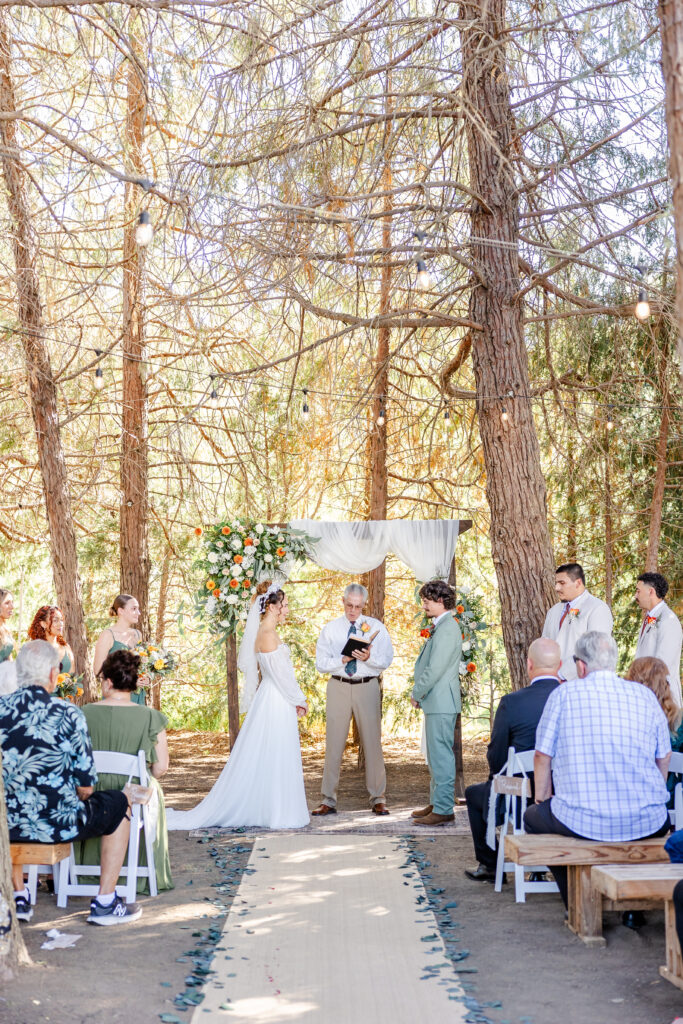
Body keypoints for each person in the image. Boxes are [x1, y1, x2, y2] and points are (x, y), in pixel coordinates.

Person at [524, 631, 671, 915]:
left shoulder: (563, 694)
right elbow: (663, 756)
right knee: (635, 829)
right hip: (648, 820)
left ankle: (576, 899)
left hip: (582, 820)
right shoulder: (644, 696)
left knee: (533, 817)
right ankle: (633, 908)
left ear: (580, 665)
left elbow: (542, 755)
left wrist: (542, 799)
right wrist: (651, 796)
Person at [0, 640, 141, 925]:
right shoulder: (69, 714)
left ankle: (19, 896)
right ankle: (105, 902)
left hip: (6, 823)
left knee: (11, 803)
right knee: (119, 802)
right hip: (58, 824)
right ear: (53, 674)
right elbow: (86, 788)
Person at [166, 583, 309, 830]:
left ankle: (275, 808)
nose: (287, 609)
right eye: (284, 605)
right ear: (272, 607)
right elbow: (281, 675)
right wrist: (299, 699)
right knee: (275, 752)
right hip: (275, 699)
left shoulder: (268, 632)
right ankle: (276, 812)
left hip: (277, 698)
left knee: (276, 752)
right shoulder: (267, 634)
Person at [74, 649, 173, 893]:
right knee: (152, 788)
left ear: (108, 682)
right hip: (131, 794)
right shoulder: (151, 717)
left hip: (91, 791)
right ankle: (140, 875)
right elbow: (161, 768)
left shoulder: (82, 714)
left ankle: (85, 874)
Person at [464, 638, 561, 882]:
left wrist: (496, 781)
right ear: (560, 665)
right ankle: (541, 868)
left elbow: (497, 754)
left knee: (474, 794)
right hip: (563, 792)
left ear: (529, 665)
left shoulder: (512, 702)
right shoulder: (573, 699)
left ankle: (490, 864)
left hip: (519, 795)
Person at [312, 583, 394, 817]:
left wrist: (368, 658)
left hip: (367, 686)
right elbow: (321, 663)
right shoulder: (330, 629)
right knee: (334, 743)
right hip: (338, 686)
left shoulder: (376, 627)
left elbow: (386, 660)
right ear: (343, 601)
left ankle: (378, 798)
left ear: (364, 605)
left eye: (358, 607)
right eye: (349, 605)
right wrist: (343, 659)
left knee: (372, 743)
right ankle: (328, 799)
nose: (353, 610)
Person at [410, 580, 462, 828]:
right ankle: (437, 802)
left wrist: (417, 692)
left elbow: (435, 669)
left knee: (441, 755)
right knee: (435, 754)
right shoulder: (442, 626)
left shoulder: (448, 628)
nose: (424, 606)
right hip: (437, 701)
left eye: (427, 601)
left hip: (441, 701)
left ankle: (443, 809)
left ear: (440, 601)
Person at [541, 563, 612, 680]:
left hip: (580, 682)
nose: (556, 588)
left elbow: (594, 649)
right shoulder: (553, 611)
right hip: (550, 681)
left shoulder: (597, 608)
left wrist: (561, 675)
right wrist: (547, 675)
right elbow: (544, 644)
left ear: (578, 583)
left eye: (562, 583)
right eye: (556, 583)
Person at [634, 572, 683, 708]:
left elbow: (662, 664)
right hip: (647, 693)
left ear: (651, 592)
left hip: (663, 697)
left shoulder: (668, 620)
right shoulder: (650, 618)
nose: (635, 596)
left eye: (638, 591)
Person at [93, 595, 147, 706]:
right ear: (121, 611)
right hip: (116, 696)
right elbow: (98, 670)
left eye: (138, 609)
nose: (138, 613)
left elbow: (141, 665)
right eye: (134, 609)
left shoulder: (137, 634)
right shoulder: (108, 635)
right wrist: (128, 681)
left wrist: (146, 677)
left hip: (137, 695)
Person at [28, 604, 75, 674]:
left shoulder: (66, 647)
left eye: (61, 620)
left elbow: (73, 677)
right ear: (43, 624)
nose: (60, 624)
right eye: (55, 620)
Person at [0, 588, 17, 695]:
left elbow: (8, 657)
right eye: (7, 603)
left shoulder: (5, 628)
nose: (12, 606)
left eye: (12, 602)